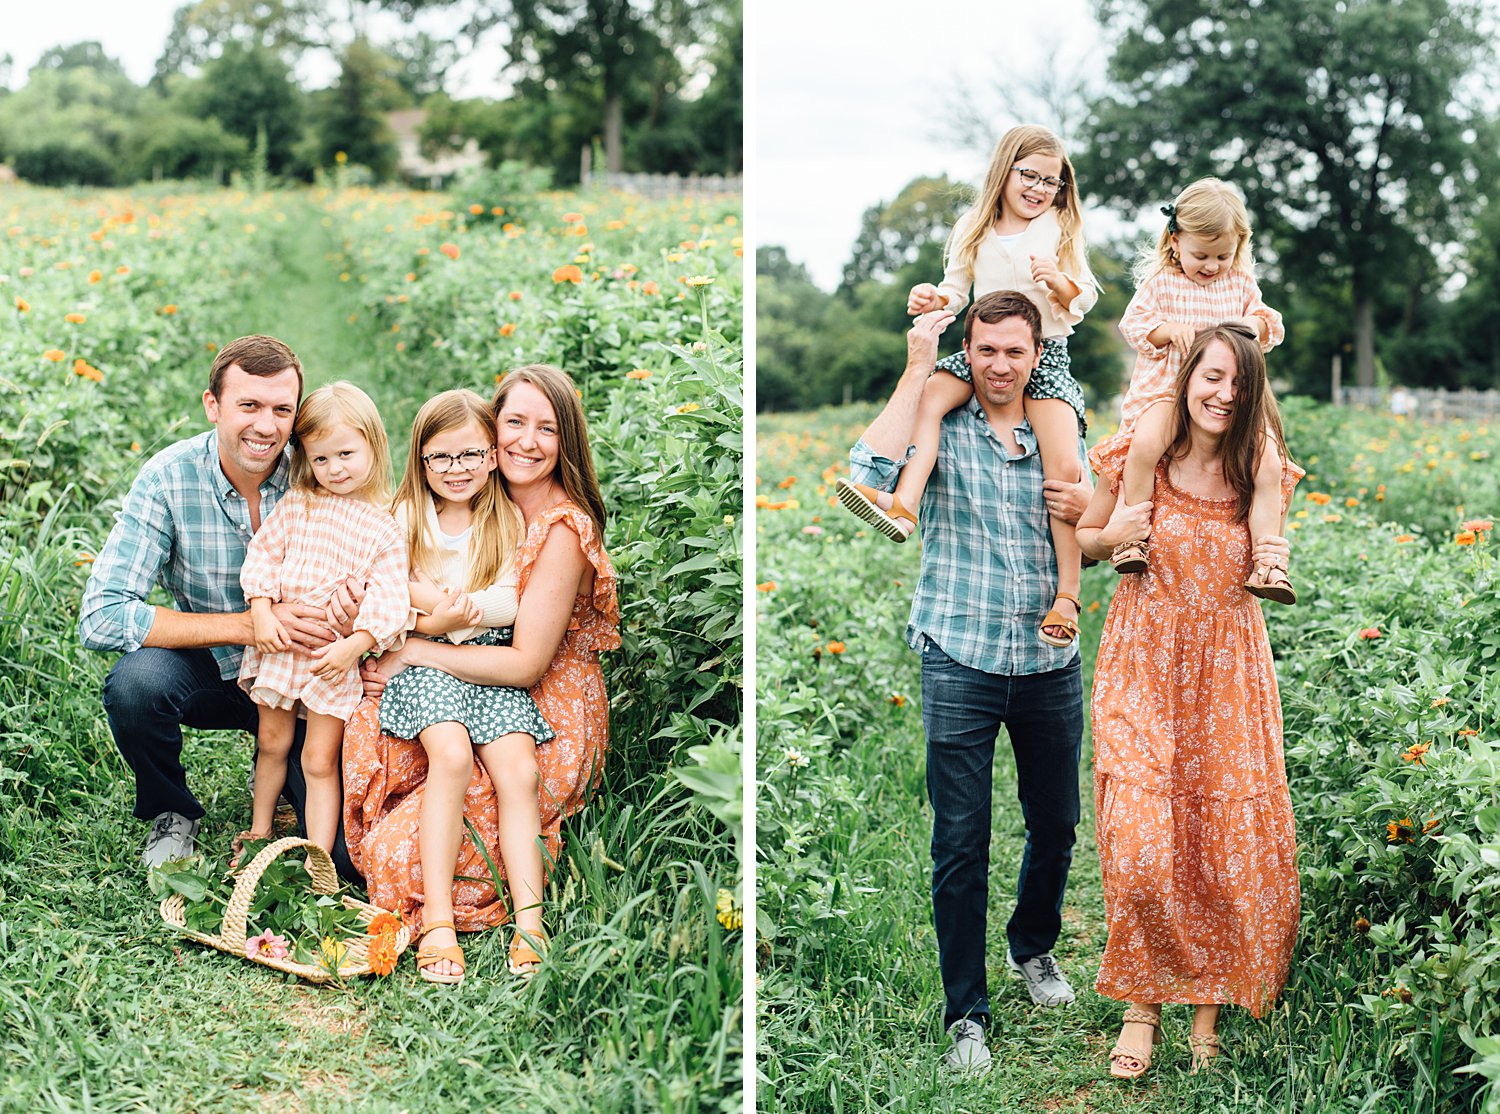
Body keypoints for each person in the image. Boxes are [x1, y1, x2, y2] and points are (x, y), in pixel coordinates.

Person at [846, 291, 1093, 1074]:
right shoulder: (939, 416)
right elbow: (865, 470)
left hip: (1048, 657)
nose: (998, 366)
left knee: (1055, 823)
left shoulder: (1060, 424)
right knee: (960, 840)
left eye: (1014, 352)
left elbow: (1099, 512)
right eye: (986, 350)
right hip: (958, 649)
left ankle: (1034, 947)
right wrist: (920, 363)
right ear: (971, 349)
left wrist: (1092, 507)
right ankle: (967, 1014)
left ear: (1035, 355)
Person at [342, 363, 619, 983]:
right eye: (513, 422)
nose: (525, 440)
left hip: (534, 690)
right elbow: (382, 570)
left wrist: (418, 644)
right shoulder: (471, 508)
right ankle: (434, 913)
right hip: (465, 676)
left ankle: (528, 920)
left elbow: (520, 654)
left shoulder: (554, 525)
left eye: (546, 428)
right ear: (495, 436)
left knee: (503, 782)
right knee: (432, 779)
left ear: (566, 439)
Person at [1075, 324, 1302, 1079]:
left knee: (1214, 849)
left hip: (1228, 676)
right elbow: (1085, 538)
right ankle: (1143, 1001)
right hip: (1144, 660)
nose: (1222, 394)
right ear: (1187, 378)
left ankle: (1205, 1010)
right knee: (1142, 844)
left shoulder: (1258, 461)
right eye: (1211, 377)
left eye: (1238, 383)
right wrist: (1113, 535)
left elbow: (1269, 541)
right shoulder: (1149, 445)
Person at [78, 335, 353, 872]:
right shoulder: (167, 478)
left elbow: (377, 548)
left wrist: (352, 604)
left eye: (281, 410)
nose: (266, 426)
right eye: (248, 406)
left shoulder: (319, 470)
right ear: (213, 406)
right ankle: (171, 811)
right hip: (214, 668)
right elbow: (102, 614)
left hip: (301, 676)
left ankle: (276, 768)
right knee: (136, 686)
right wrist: (248, 625)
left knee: (340, 857)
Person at [836, 124, 1099, 648]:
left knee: (1064, 466)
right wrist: (929, 300)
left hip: (1045, 354)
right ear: (1004, 173)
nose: (1039, 188)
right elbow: (954, 293)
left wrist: (1058, 282)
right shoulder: (971, 228)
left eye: (1052, 180)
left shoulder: (1059, 227)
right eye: (1029, 175)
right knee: (932, 398)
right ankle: (903, 504)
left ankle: (1066, 596)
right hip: (982, 352)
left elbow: (1084, 297)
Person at [379, 388, 557, 985]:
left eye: (469, 456)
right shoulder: (407, 515)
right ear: (421, 460)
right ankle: (436, 919)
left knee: (519, 772)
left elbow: (511, 600)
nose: (455, 471)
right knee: (450, 756)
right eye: (440, 458)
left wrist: (462, 613)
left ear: (490, 455)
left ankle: (530, 922)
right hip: (424, 667)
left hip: (485, 660)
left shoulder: (504, 516)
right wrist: (440, 613)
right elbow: (390, 583)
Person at [237, 382, 408, 859]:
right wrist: (262, 610)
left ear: (374, 445)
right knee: (272, 741)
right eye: (321, 459)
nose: (335, 469)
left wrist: (354, 646)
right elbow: (263, 555)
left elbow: (390, 598)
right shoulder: (298, 505)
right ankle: (258, 832)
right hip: (282, 645)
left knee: (317, 758)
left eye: (346, 454)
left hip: (333, 658)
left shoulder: (384, 526)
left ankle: (319, 860)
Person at [1115, 178, 1294, 604]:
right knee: (1144, 446)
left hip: (1232, 401)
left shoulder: (1240, 286)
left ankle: (1268, 562)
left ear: (1239, 247)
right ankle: (1132, 537)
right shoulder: (1161, 284)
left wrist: (1255, 325)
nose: (1212, 265)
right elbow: (1133, 326)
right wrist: (1166, 330)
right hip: (1170, 394)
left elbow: (1272, 325)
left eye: (1222, 255)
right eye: (1201, 255)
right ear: (1175, 241)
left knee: (1268, 464)